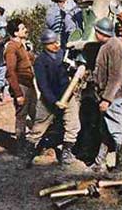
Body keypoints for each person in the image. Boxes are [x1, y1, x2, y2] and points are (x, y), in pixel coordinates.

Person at [22, 29, 81, 168]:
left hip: (67, 95)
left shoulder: (62, 55)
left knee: (73, 125)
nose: (56, 45)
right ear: (45, 45)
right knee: (38, 128)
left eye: (57, 42)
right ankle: (26, 156)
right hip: (49, 99)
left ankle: (66, 154)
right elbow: (43, 85)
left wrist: (75, 68)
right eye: (52, 43)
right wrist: (54, 101)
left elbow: (71, 71)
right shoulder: (40, 61)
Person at [90, 17, 122, 173]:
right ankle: (99, 163)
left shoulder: (114, 46)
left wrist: (107, 99)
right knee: (106, 129)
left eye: (96, 31)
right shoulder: (107, 45)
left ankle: (120, 168)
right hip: (109, 96)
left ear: (100, 32)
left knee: (117, 131)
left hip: (114, 97)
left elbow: (115, 77)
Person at [4, 19, 37, 146]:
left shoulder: (23, 46)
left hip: (29, 83)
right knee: (22, 114)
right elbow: (11, 71)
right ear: (16, 32)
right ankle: (20, 145)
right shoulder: (11, 47)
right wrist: (18, 93)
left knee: (35, 111)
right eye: (22, 28)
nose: (26, 30)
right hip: (21, 84)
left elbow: (30, 61)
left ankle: (36, 142)